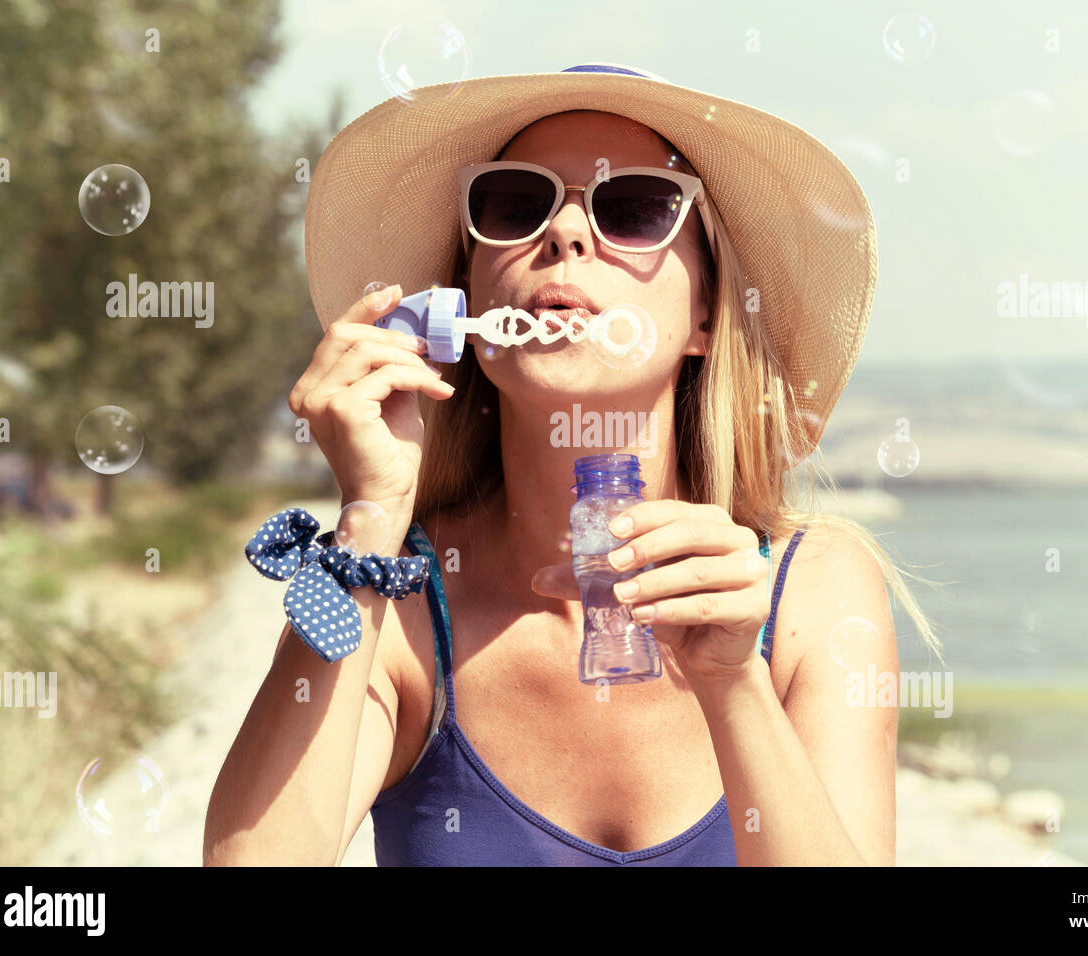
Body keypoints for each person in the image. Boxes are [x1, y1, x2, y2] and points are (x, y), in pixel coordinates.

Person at [205, 64, 944, 867]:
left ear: (705, 314)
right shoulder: (403, 606)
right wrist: (370, 517)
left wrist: (734, 683)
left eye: (632, 209)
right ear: (464, 304)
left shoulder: (810, 591)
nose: (564, 233)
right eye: (515, 206)